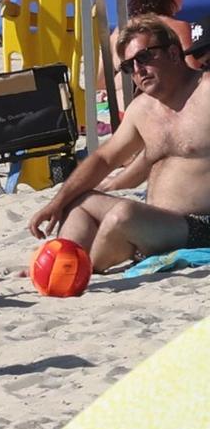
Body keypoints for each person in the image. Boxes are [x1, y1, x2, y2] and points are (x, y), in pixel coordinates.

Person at [27, 15, 210, 271]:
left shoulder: (205, 92)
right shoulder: (142, 109)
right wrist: (56, 203)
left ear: (172, 52)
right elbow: (105, 158)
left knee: (123, 215)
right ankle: (59, 263)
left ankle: (77, 271)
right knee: (77, 200)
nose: (137, 71)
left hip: (201, 225)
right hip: (156, 221)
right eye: (128, 67)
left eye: (144, 58)